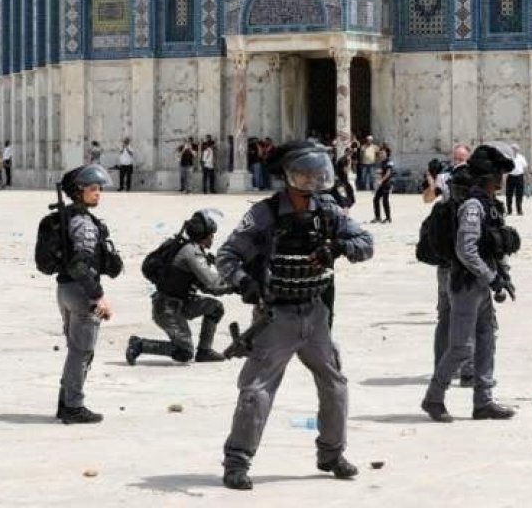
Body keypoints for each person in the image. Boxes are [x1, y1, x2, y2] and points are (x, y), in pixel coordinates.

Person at [217, 140, 374, 490]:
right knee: (256, 391)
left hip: (315, 312)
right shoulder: (264, 214)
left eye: (319, 173)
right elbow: (226, 256)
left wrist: (340, 247)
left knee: (335, 385)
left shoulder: (328, 210)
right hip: (276, 316)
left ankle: (331, 454)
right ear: (289, 177)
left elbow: (366, 243)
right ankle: (237, 462)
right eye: (306, 174)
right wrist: (245, 284)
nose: (315, 180)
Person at [422, 142, 520, 423]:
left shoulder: (491, 206)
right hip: (466, 285)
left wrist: (504, 277)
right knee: (462, 347)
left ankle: (483, 402)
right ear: (489, 176)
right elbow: (467, 251)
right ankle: (433, 397)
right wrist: (492, 278)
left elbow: (494, 246)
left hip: (483, 285)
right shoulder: (474, 207)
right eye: (499, 174)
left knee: (487, 341)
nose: (502, 179)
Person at [126, 209, 231, 365]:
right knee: (184, 352)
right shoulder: (191, 253)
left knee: (215, 308)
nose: (212, 238)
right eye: (211, 235)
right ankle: (140, 344)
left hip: (181, 303)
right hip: (167, 309)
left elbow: (207, 287)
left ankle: (204, 351)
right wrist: (235, 282)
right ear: (204, 236)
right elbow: (213, 283)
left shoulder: (190, 249)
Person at [56, 164, 117, 424]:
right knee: (81, 352)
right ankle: (73, 405)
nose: (98, 193)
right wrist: (98, 296)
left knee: (76, 350)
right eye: (93, 189)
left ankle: (65, 401)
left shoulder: (69, 216)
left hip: (65, 289)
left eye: (99, 188)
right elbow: (80, 264)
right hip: (81, 292)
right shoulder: (83, 223)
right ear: (79, 192)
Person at [422, 143, 475, 387]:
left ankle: (459, 369)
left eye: (462, 159)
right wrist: (432, 181)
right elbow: (427, 198)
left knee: (450, 315)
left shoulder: (475, 178)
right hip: (452, 257)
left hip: (454, 255)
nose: (458, 164)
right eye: (456, 159)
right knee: (458, 314)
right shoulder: (446, 177)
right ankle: (462, 369)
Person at [371, 147, 393, 223]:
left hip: (386, 183)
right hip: (381, 184)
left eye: (383, 153)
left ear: (387, 153)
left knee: (385, 201)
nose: (381, 154)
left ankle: (388, 218)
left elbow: (388, 173)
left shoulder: (389, 161)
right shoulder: (382, 162)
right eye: (380, 153)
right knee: (376, 199)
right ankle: (378, 217)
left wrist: (381, 180)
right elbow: (381, 172)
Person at [506, 144, 528, 216]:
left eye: (515, 149)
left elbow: (525, 168)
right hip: (511, 176)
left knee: (519, 194)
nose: (514, 150)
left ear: (517, 150)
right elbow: (505, 169)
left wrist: (527, 177)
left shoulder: (521, 158)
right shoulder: (508, 158)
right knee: (509, 194)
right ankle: (509, 210)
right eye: (512, 149)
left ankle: (519, 210)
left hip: (519, 177)